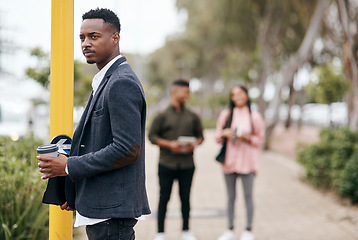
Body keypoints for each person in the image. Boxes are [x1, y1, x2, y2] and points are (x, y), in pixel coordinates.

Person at [37, 8, 150, 240]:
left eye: (94, 36)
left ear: (115, 37)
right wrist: (75, 189)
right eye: (82, 37)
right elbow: (97, 143)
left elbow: (127, 149)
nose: (86, 43)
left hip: (112, 214)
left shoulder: (121, 83)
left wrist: (68, 166)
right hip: (103, 209)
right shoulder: (106, 80)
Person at [148, 79, 204, 240]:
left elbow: (200, 137)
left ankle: (186, 231)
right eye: (185, 92)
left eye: (188, 92)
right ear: (174, 91)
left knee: (185, 198)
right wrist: (169, 144)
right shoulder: (161, 115)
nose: (188, 95)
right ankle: (160, 233)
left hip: (187, 165)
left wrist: (194, 144)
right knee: (164, 198)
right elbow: (152, 136)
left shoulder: (193, 116)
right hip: (166, 164)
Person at [215, 86, 265, 240]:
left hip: (247, 163)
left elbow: (260, 139)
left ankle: (248, 230)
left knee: (248, 196)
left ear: (246, 95)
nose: (237, 97)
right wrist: (225, 133)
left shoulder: (254, 116)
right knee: (230, 197)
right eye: (234, 94)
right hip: (229, 163)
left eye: (240, 93)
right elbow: (217, 137)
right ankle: (230, 229)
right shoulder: (226, 114)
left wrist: (247, 137)